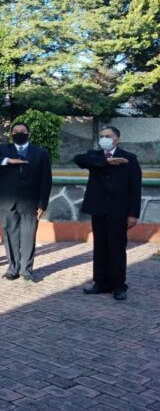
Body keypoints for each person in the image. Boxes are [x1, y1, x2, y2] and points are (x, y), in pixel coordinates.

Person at [75, 126, 142, 301]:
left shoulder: (129, 158)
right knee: (100, 247)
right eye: (102, 136)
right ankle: (100, 283)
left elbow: (135, 189)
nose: (104, 138)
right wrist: (106, 162)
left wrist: (133, 214)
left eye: (108, 136)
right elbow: (78, 159)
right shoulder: (95, 156)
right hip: (98, 209)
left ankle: (119, 285)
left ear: (116, 139)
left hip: (119, 211)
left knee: (117, 248)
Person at [0, 121, 52, 282]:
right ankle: (12, 268)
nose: (19, 133)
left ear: (28, 133)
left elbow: (46, 180)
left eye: (22, 130)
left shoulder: (40, 153)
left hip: (30, 202)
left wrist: (43, 204)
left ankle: (26, 270)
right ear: (11, 134)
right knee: (10, 235)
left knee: (28, 236)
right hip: (8, 201)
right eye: (15, 131)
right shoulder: (4, 149)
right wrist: (7, 161)